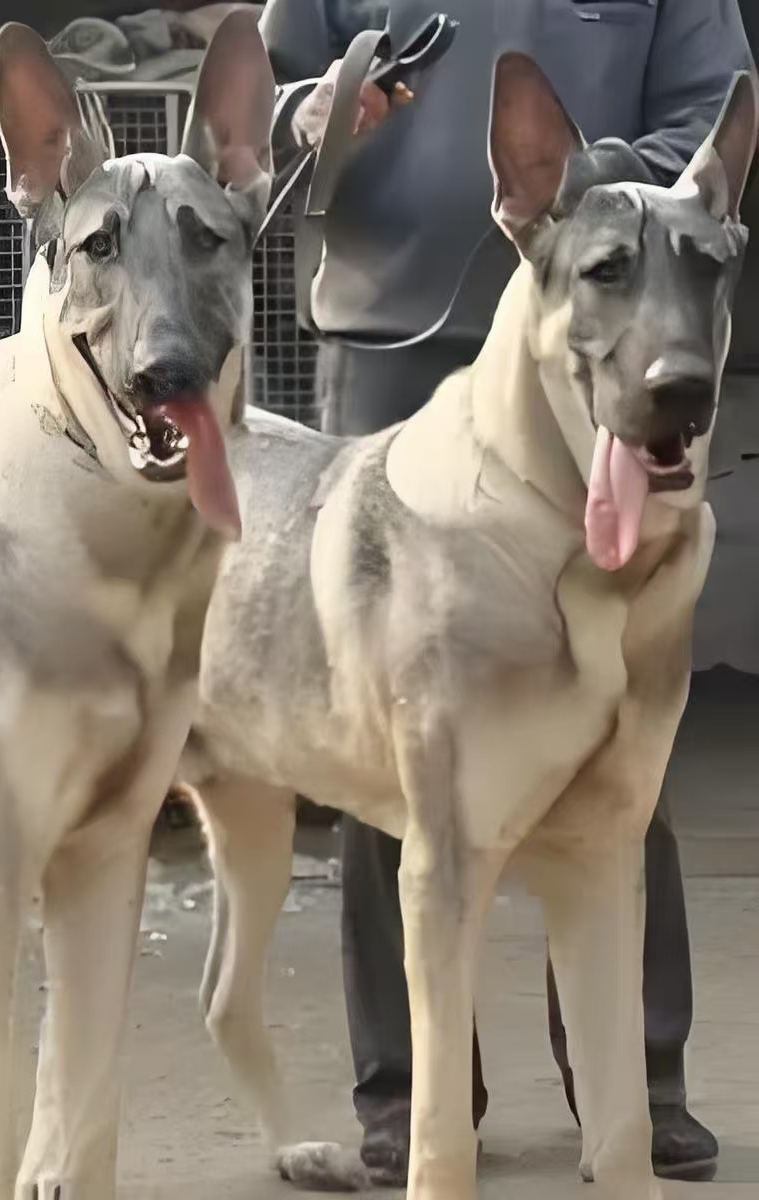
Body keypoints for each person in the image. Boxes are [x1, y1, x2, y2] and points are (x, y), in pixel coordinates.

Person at [259, 0, 754, 1186]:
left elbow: (714, 112)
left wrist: (581, 195)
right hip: (396, 331)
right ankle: (408, 1101)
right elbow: (268, 106)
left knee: (618, 714)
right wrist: (314, 113)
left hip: (607, 322)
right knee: (388, 734)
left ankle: (637, 1082)